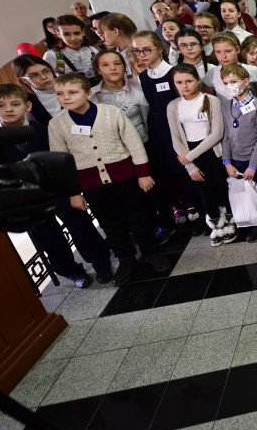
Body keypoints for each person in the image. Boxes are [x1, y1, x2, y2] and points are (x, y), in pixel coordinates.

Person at [49, 72, 172, 283]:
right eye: (60, 94)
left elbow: (133, 143)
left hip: (124, 176)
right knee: (110, 222)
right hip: (92, 183)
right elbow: (61, 162)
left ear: (88, 93)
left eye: (72, 92)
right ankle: (126, 258)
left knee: (138, 215)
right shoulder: (57, 124)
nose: (66, 97)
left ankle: (151, 251)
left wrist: (143, 173)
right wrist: (73, 193)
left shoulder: (110, 112)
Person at [0, 83, 114, 285]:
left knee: (81, 227)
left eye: (15, 104)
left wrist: (74, 192)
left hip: (60, 191)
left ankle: (101, 262)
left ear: (27, 107)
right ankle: (72, 271)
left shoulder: (46, 130)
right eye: (1, 105)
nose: (9, 109)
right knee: (49, 238)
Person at [132, 30, 202, 232]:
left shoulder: (173, 73)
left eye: (146, 49)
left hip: (177, 125)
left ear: (159, 49)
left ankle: (199, 210)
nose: (142, 54)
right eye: (137, 51)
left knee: (184, 168)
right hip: (156, 127)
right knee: (165, 171)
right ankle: (179, 207)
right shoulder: (143, 77)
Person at [168, 63, 235, 244]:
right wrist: (189, 165)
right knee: (205, 194)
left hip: (212, 152)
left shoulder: (211, 100)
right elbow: (176, 139)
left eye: (189, 81)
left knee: (223, 189)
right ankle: (216, 227)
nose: (185, 85)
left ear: (198, 80)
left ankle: (231, 225)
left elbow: (216, 134)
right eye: (179, 82)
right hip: (189, 155)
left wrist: (190, 156)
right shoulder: (173, 106)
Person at [220, 63, 257, 243]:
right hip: (236, 160)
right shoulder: (226, 106)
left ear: (245, 82)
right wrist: (227, 162)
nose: (230, 86)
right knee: (248, 194)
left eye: (233, 81)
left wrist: (253, 165)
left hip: (256, 160)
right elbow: (226, 136)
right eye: (226, 82)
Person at [43, 14, 98, 80]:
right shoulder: (53, 56)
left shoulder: (92, 50)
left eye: (77, 33)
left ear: (83, 32)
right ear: (58, 34)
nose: (73, 38)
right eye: (66, 34)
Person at [209, 33, 257, 100]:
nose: (223, 56)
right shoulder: (212, 73)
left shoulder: (252, 70)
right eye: (218, 52)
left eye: (228, 51)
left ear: (237, 49)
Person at [13, 54, 62, 123]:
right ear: (24, 81)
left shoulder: (69, 85)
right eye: (34, 75)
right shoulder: (28, 103)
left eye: (46, 71)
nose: (44, 77)